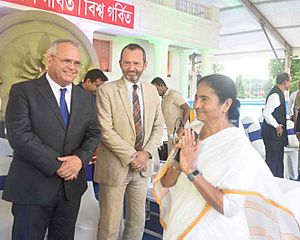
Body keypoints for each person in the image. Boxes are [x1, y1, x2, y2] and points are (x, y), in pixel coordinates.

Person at [153, 74, 299, 239]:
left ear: (226, 104)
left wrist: (191, 171)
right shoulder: (193, 130)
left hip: (216, 232)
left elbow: (229, 206)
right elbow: (166, 182)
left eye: (204, 99)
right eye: (196, 98)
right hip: (180, 223)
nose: (197, 105)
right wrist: (179, 164)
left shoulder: (237, 146)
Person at [2, 39, 101, 240]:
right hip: (32, 188)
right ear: (49, 60)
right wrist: (58, 165)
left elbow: (94, 133)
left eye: (76, 63)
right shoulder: (23, 91)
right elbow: (20, 136)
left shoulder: (86, 98)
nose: (72, 67)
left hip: (70, 190)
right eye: (66, 61)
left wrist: (78, 160)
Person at [95, 43, 164, 240]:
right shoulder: (106, 90)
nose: (131, 67)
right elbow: (105, 130)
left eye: (136, 63)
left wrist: (146, 154)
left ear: (144, 64)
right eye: (127, 63)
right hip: (115, 167)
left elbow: (158, 127)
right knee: (110, 226)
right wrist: (132, 156)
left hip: (142, 169)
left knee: (137, 224)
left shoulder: (151, 91)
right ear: (120, 63)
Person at [261, 72, 291, 178]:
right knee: (273, 162)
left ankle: (277, 185)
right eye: (290, 81)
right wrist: (277, 126)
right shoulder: (275, 95)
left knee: (277, 161)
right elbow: (266, 112)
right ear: (285, 82)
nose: (290, 84)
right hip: (272, 135)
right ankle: (271, 187)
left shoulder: (278, 93)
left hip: (274, 135)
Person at [151, 77, 190, 152]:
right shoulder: (164, 99)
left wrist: (181, 127)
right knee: (171, 158)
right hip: (171, 133)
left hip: (181, 132)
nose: (155, 92)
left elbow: (187, 108)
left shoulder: (173, 94)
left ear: (161, 86)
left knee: (180, 157)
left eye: (156, 89)